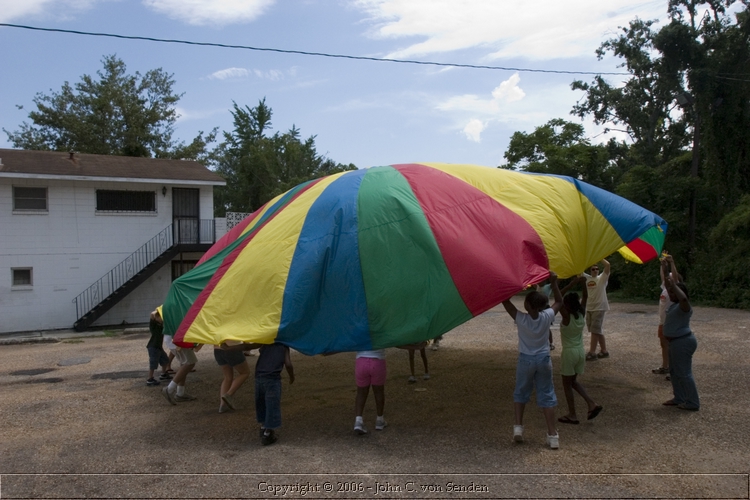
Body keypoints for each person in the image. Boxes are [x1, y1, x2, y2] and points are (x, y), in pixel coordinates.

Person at [501, 272, 563, 449]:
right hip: (543, 359)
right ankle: (552, 435)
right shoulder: (547, 317)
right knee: (547, 394)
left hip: (526, 360)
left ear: (528, 306)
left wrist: (514, 285)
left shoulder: (521, 319)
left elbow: (505, 301)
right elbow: (559, 302)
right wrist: (554, 283)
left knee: (520, 392)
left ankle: (518, 428)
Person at [557, 278, 603, 424]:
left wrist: (570, 284)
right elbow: (586, 297)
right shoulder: (581, 314)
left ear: (567, 305)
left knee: (567, 385)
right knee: (574, 382)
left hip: (569, 352)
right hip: (580, 352)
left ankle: (572, 414)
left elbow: (557, 297)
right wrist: (583, 284)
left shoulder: (566, 317)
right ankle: (591, 403)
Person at [660, 258, 700, 411]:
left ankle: (693, 403)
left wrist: (674, 285)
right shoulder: (675, 304)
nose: (671, 294)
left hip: (682, 342)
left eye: (673, 292)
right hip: (674, 342)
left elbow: (682, 296)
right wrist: (664, 268)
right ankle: (679, 398)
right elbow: (668, 284)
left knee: (684, 373)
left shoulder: (685, 306)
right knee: (675, 372)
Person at [254, 343, 295, 445]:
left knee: (261, 402)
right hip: (273, 379)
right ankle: (267, 434)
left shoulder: (265, 342)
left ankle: (263, 426)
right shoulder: (284, 345)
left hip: (259, 377)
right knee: (272, 405)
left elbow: (248, 347)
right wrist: (292, 376)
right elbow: (288, 364)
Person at [654, 254, 682, 376]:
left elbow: (675, 278)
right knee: (663, 344)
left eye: (670, 278)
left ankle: (674, 370)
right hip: (663, 322)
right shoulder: (664, 288)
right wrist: (662, 264)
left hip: (671, 323)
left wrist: (671, 263)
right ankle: (665, 367)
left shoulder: (675, 290)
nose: (668, 279)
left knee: (672, 347)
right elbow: (663, 276)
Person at [354, 349, 387, 435]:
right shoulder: (379, 334)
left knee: (361, 393)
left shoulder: (359, 334)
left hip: (361, 361)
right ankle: (380, 419)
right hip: (378, 360)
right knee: (379, 392)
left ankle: (358, 420)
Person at [584, 259, 611, 360]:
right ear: (590, 270)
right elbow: (578, 271)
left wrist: (598, 257)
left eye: (597, 269)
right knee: (595, 330)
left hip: (599, 307)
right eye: (593, 269)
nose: (595, 270)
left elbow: (608, 265)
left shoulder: (602, 278)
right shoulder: (587, 278)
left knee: (595, 330)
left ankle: (592, 353)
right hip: (590, 307)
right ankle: (604, 351)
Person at [162, 339, 202, 405]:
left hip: (172, 339)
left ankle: (180, 392)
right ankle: (169, 389)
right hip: (178, 339)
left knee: (184, 362)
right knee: (190, 363)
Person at [214, 344, 252, 414]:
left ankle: (223, 405)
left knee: (227, 377)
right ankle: (228, 394)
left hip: (217, 349)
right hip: (232, 348)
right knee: (245, 372)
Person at [145, 309, 171, 386]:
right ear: (156, 318)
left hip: (158, 346)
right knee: (153, 363)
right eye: (159, 317)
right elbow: (152, 314)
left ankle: (163, 374)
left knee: (165, 359)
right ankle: (150, 378)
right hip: (153, 346)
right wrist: (159, 310)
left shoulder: (162, 325)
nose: (161, 319)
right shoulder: (154, 325)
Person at [536, 282, 556, 350]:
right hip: (538, 307)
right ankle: (540, 342)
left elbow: (555, 283)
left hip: (545, 307)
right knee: (538, 326)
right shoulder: (537, 286)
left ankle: (551, 343)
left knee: (547, 327)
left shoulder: (548, 286)